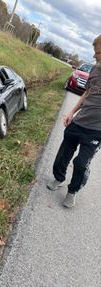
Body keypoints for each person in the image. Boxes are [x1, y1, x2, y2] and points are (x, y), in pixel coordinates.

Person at [47, 35, 101, 208]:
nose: (95, 56)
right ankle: (59, 178)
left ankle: (73, 191)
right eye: (95, 52)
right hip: (79, 122)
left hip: (96, 131)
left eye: (98, 52)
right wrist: (71, 112)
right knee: (63, 155)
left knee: (80, 163)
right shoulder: (94, 69)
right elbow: (86, 94)